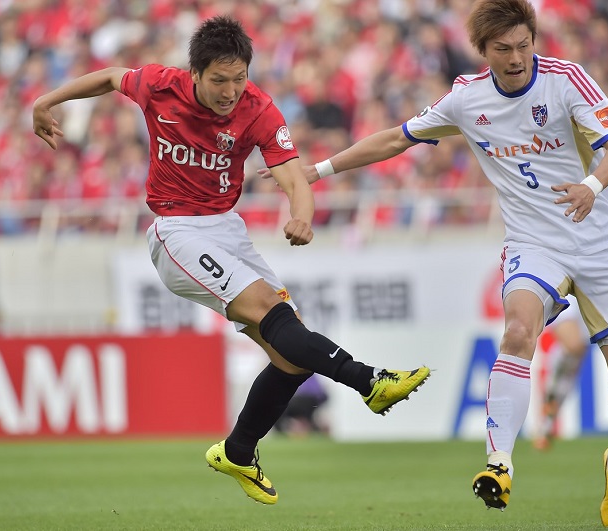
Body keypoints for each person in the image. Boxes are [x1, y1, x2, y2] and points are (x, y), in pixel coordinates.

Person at [32, 15, 430, 506]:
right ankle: (370, 381)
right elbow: (112, 77)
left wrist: (301, 216)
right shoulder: (159, 85)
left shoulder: (258, 109)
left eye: (238, 78)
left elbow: (293, 176)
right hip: (176, 230)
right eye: (219, 80)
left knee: (291, 354)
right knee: (271, 311)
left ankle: (238, 451)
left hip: (227, 229)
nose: (230, 91)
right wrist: (47, 101)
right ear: (195, 74)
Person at [281, 0, 608, 525]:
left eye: (524, 45)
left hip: (601, 242)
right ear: (483, 50)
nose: (517, 57)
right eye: (504, 49)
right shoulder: (466, 98)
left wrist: (591, 186)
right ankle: (499, 465)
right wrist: (316, 172)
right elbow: (395, 138)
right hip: (533, 243)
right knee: (518, 332)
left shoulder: (566, 80)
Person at [534, 301, 591, 451]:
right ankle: (550, 392)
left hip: (589, 297)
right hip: (567, 294)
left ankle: (546, 425)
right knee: (573, 345)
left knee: (575, 359)